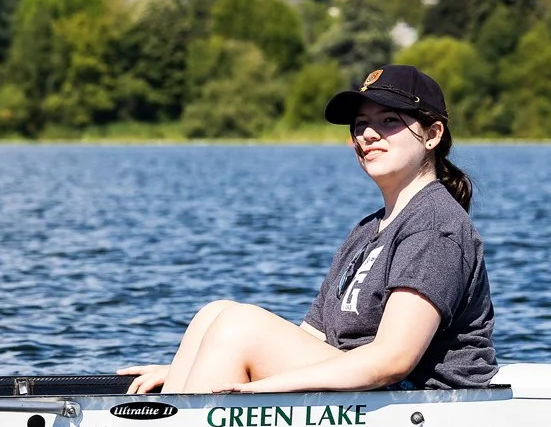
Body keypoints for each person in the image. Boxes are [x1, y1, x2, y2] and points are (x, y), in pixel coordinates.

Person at [122, 64, 494, 395]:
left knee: (240, 325)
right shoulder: (368, 230)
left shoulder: (435, 225)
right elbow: (310, 339)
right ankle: (176, 414)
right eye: (360, 124)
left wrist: (263, 386)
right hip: (357, 391)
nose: (368, 135)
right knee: (215, 314)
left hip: (416, 402)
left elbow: (392, 360)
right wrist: (191, 368)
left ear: (432, 135)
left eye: (389, 121)